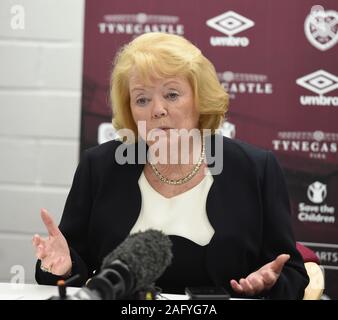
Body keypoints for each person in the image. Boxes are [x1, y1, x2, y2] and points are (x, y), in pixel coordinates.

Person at [32, 32, 309, 299]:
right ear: (131, 109)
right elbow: (72, 270)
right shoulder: (99, 167)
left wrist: (267, 284)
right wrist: (62, 266)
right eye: (142, 99)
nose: (157, 110)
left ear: (200, 100)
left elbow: (293, 275)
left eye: (172, 95)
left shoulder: (255, 169)